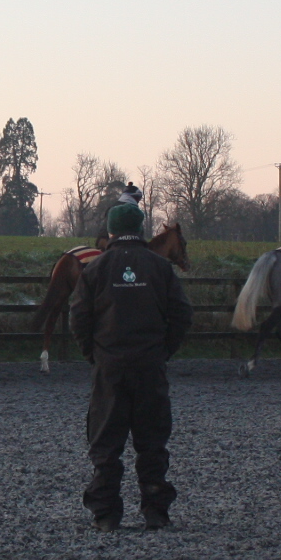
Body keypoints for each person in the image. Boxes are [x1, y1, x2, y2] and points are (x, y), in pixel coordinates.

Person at [69, 201, 193, 532]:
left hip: (110, 366)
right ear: (141, 229)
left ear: (110, 231)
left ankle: (106, 514)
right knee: (152, 441)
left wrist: (94, 355)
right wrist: (164, 351)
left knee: (106, 444)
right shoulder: (160, 268)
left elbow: (78, 317)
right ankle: (156, 510)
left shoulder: (95, 269)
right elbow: (182, 314)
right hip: (150, 365)